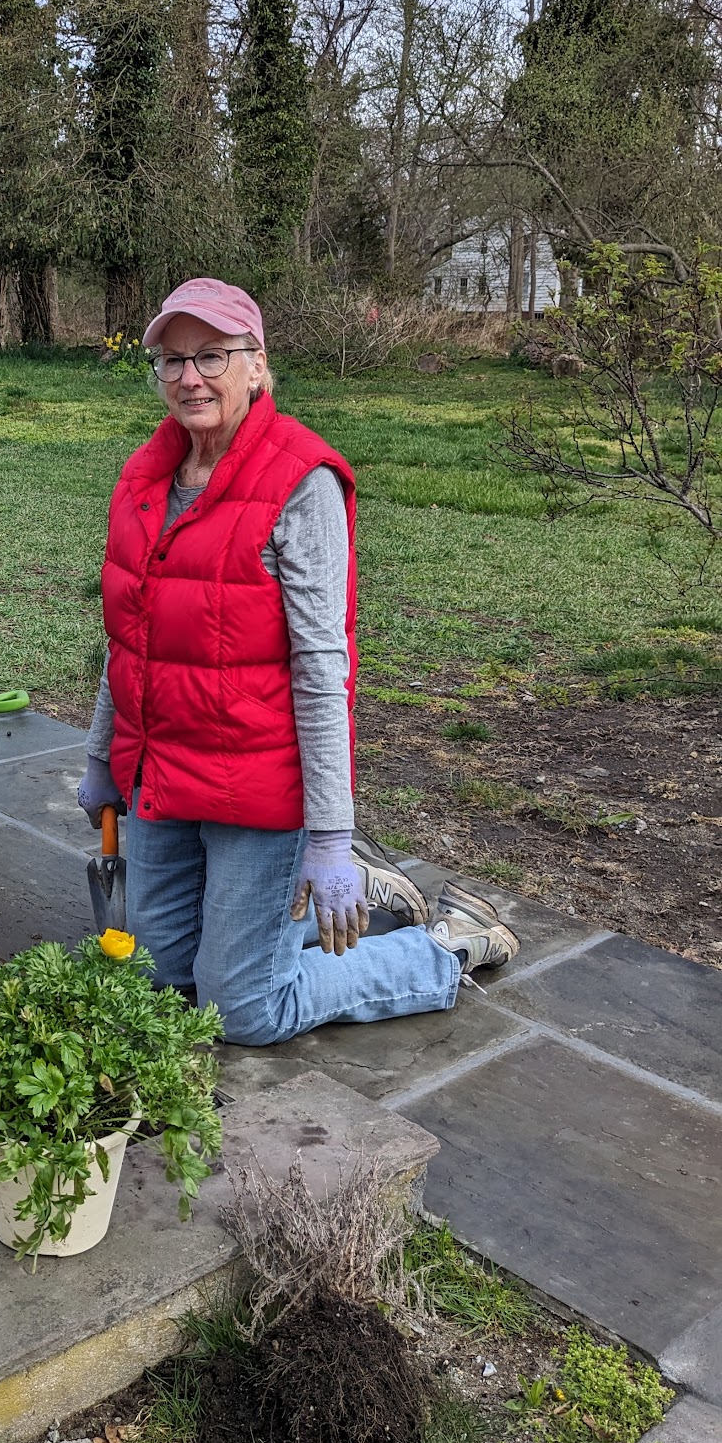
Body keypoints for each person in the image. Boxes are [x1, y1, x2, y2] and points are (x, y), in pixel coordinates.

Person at [76, 277, 519, 1046]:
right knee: (155, 982)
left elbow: (323, 666)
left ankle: (443, 946)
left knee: (241, 1009)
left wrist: (328, 836)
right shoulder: (145, 478)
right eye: (172, 361)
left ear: (256, 365)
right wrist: (101, 760)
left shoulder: (300, 481)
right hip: (163, 773)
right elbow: (132, 640)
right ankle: (341, 902)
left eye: (212, 356)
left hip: (260, 785)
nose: (190, 378)